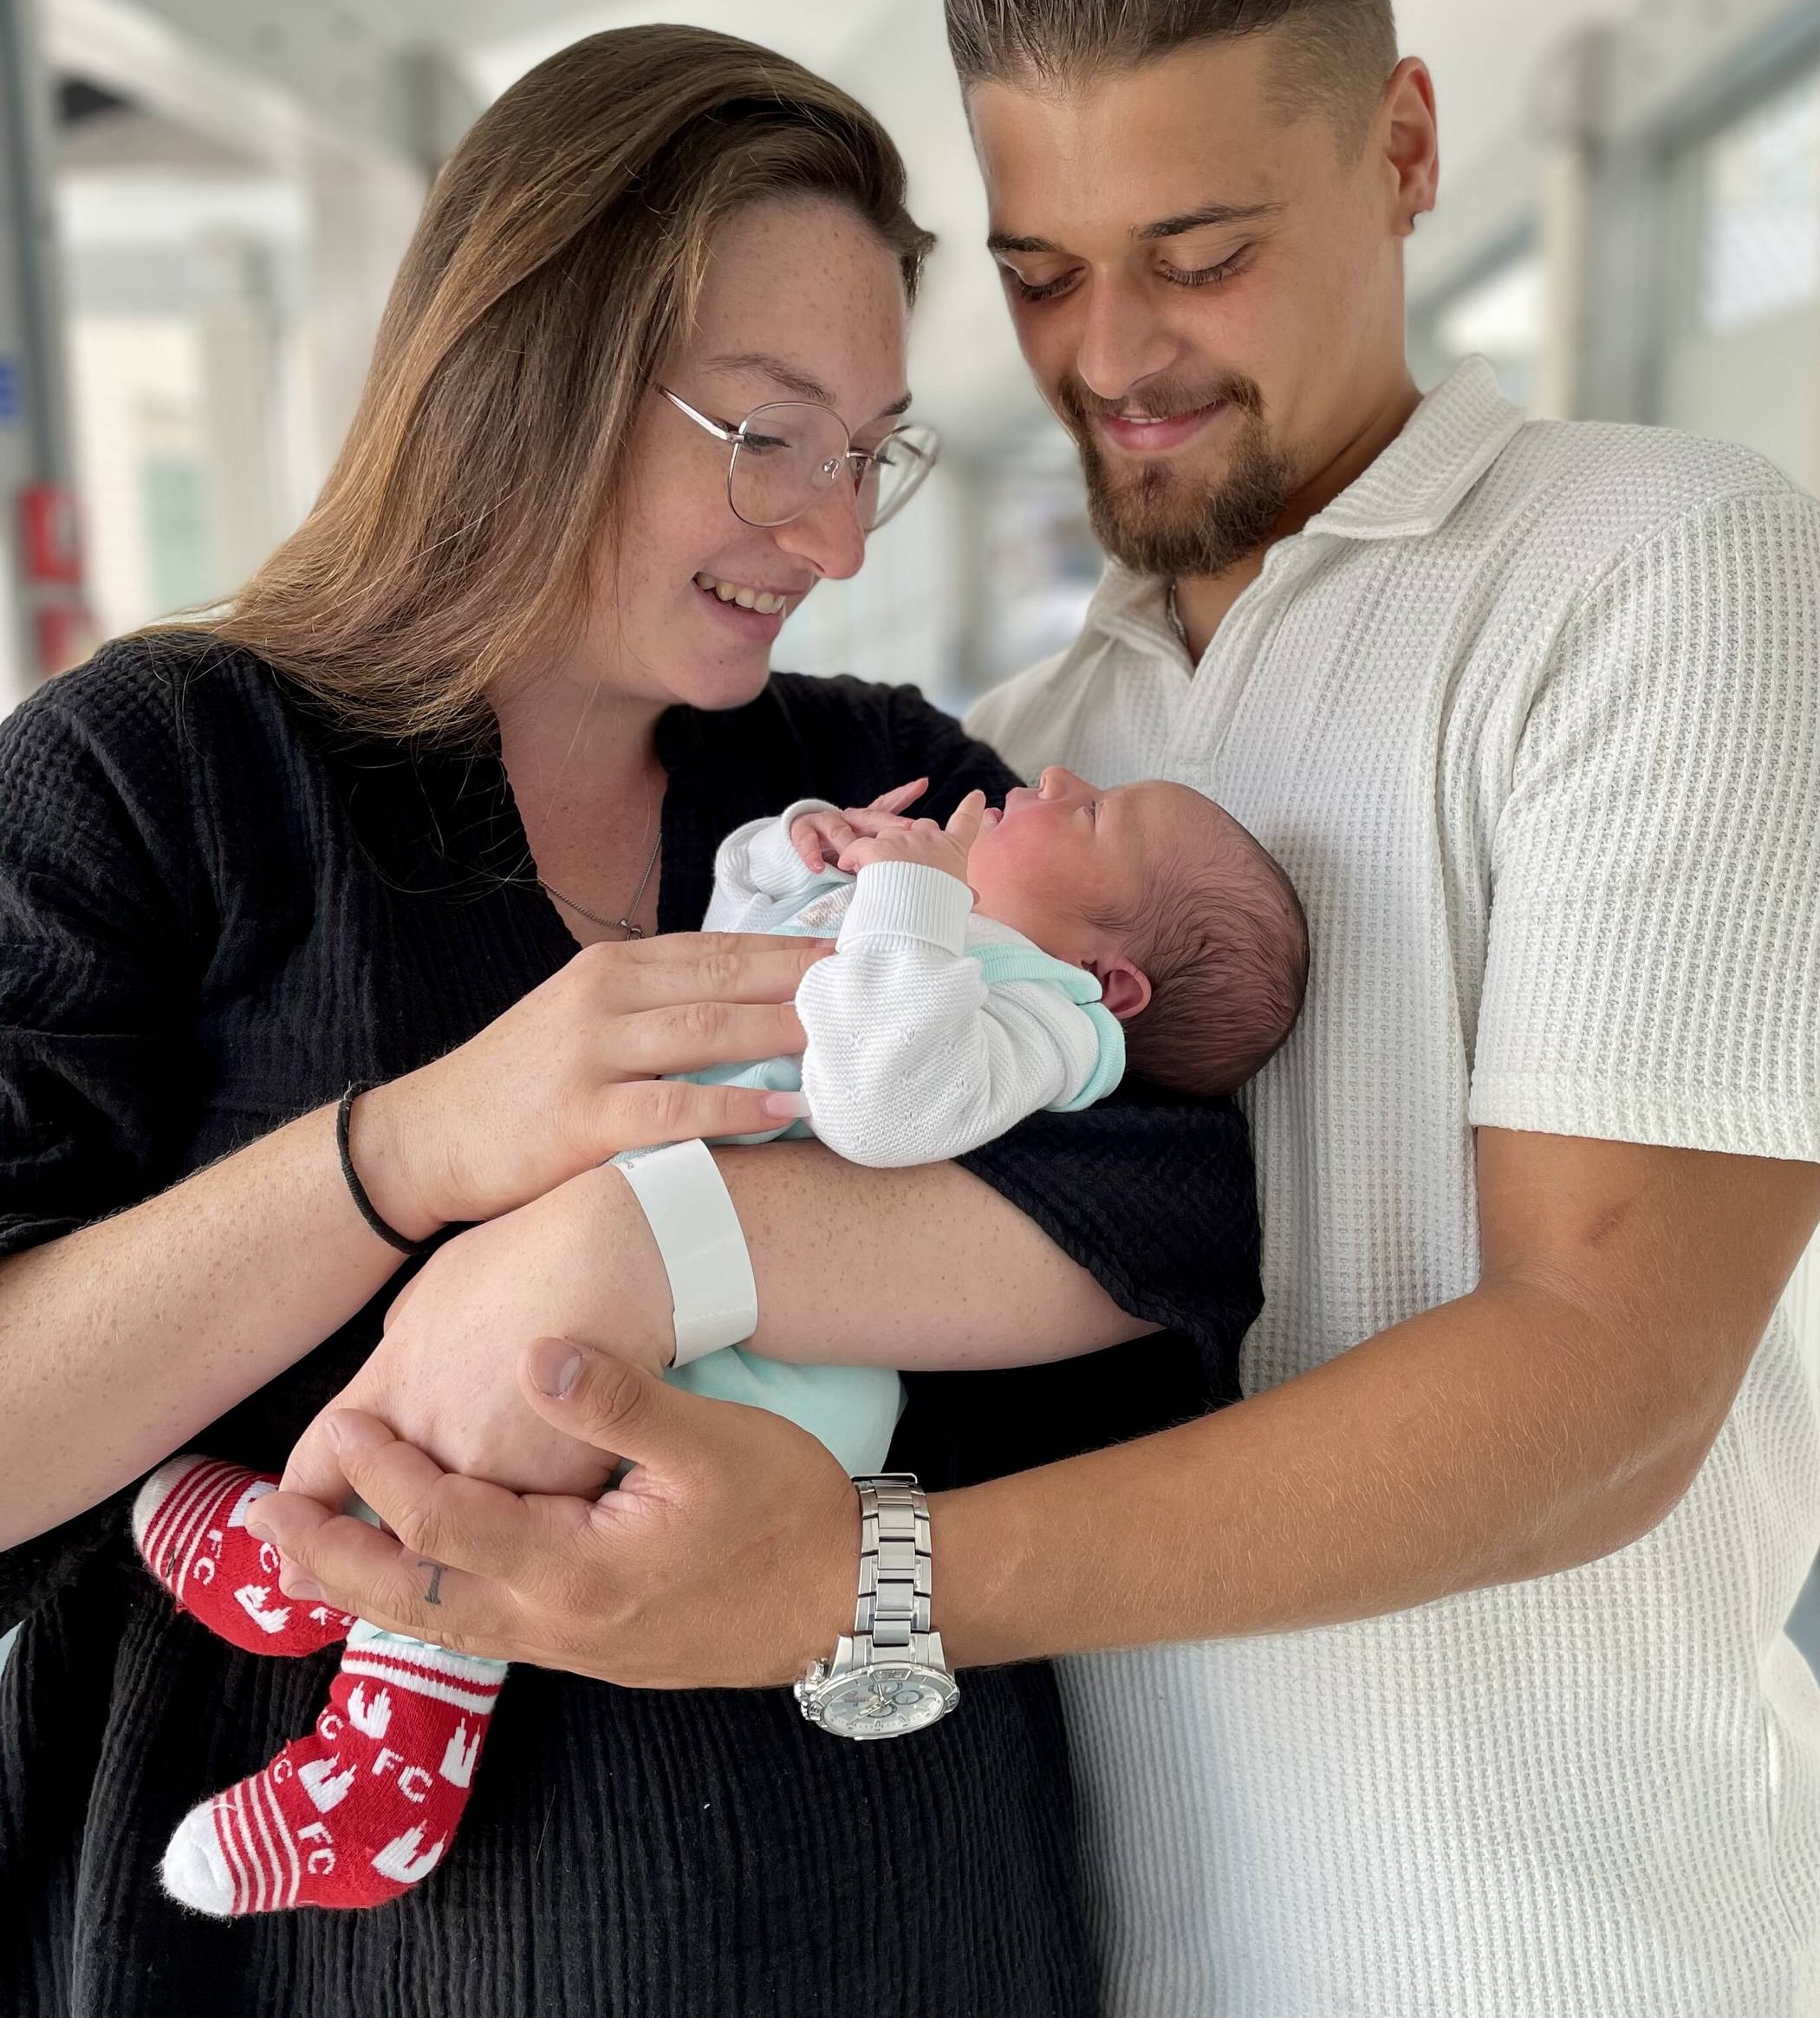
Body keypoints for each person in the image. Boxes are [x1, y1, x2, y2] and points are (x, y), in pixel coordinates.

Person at [247, 0, 1820, 2018]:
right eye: (1043, 273)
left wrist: (874, 1578)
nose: (1112, 359)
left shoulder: (1653, 571)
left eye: (1198, 255)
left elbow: (1603, 1388)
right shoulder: (1024, 743)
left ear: (1400, 147)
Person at [0, 24, 1267, 2017]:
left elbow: (1174, 1213)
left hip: (909, 1936)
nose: (840, 536)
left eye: (870, 451)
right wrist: (404, 1152)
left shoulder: (881, 783)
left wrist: (663, 1249)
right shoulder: (161, 779)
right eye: (772, 435)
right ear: (534, 363)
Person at [130, 768, 1305, 1918]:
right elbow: (729, 941)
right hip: (675, 1283)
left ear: (1114, 978)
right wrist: (800, 846)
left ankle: (389, 1751)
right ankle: (310, 1563)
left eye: (1093, 816)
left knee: (524, 1436)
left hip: (756, 1382)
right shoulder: (926, 923)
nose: (1051, 776)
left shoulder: (1047, 1020)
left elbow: (881, 1106)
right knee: (492, 1383)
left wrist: (909, 901)